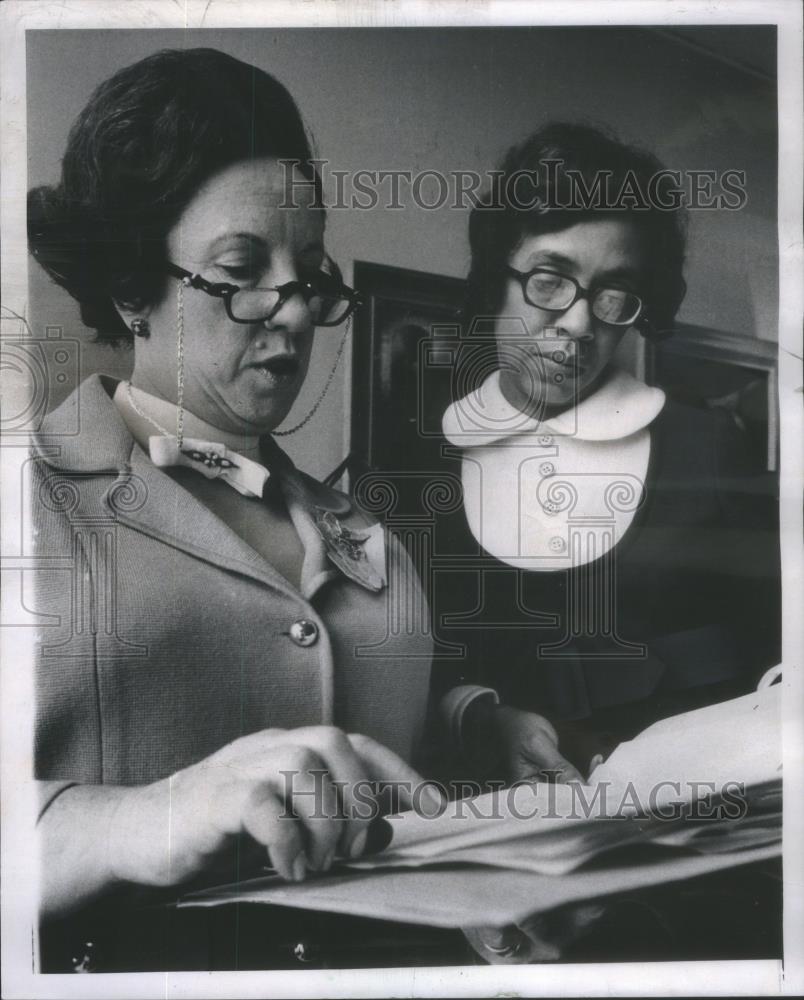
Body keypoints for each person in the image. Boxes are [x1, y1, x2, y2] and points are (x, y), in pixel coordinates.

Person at [27, 47, 572, 972]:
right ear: (132, 288)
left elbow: (370, 706)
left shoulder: (363, 533)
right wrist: (147, 816)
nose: (290, 313)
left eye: (309, 273)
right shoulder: (26, 498)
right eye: (242, 269)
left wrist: (477, 726)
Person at [432, 122, 781, 962]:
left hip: (704, 879)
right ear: (496, 283)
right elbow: (422, 666)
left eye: (615, 294)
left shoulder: (710, 452)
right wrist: (481, 713)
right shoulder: (427, 469)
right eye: (550, 280)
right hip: (508, 881)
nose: (579, 323)